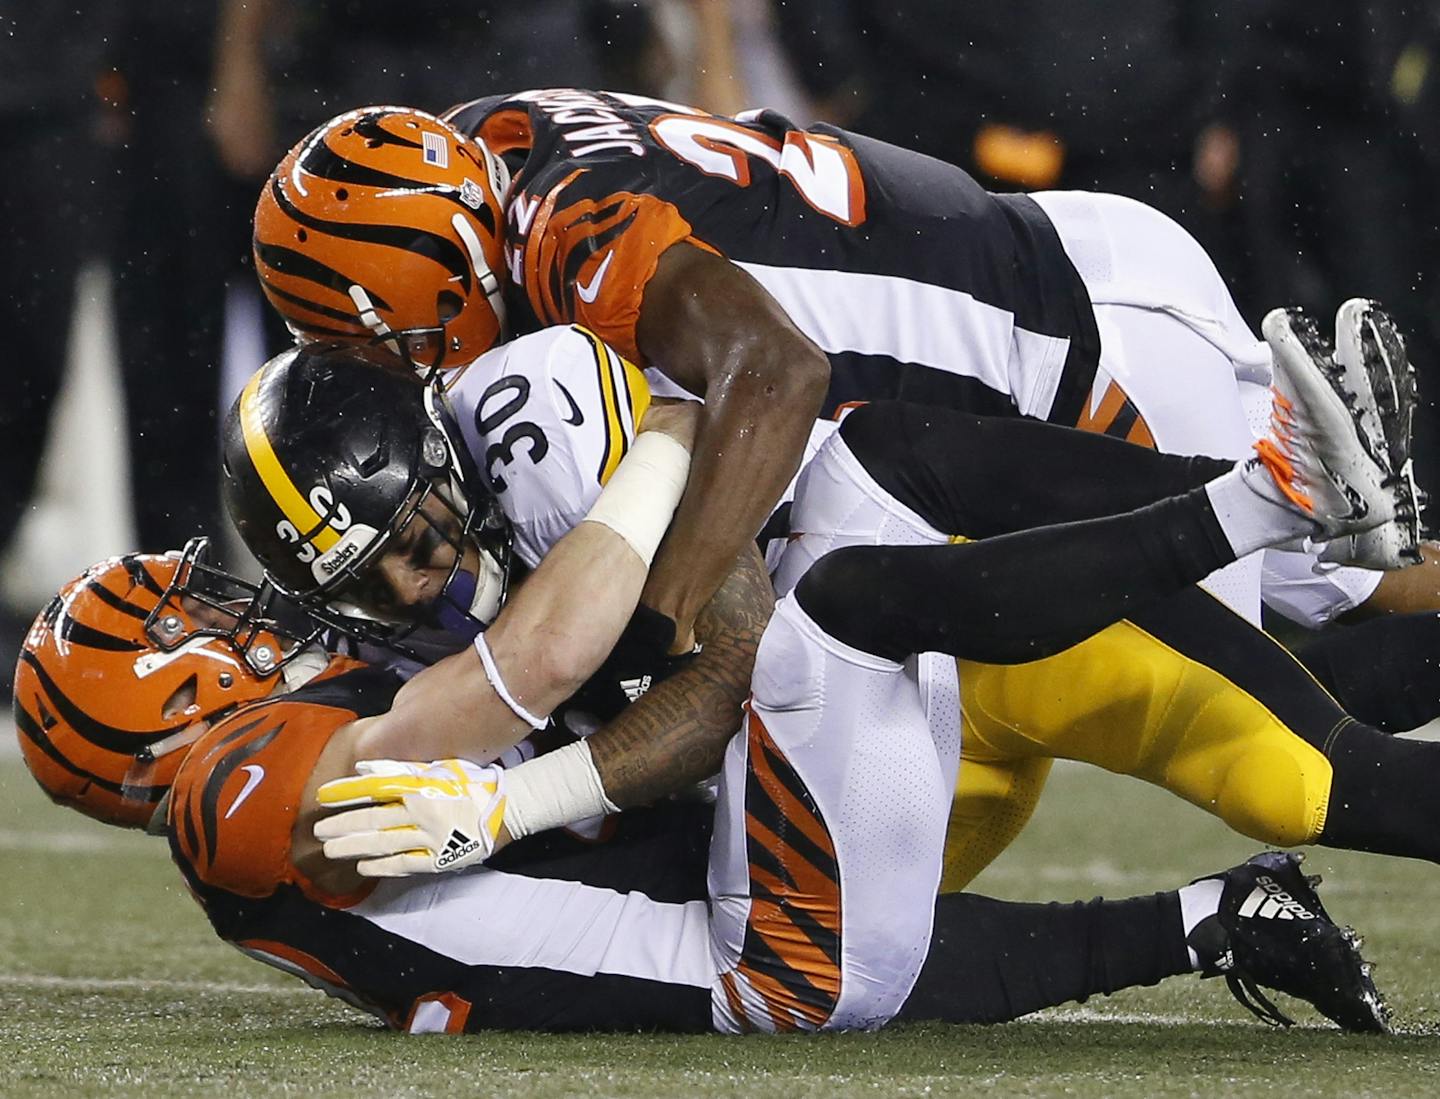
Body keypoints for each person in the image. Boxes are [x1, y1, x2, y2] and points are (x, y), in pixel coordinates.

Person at [18, 336, 1406, 1029]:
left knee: (1310, 773)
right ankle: (1268, 508)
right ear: (165, 699)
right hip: (773, 922)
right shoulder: (236, 806)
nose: (258, 625)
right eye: (197, 621)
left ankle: (1308, 534)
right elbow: (547, 678)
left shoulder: (511, 451)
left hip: (785, 842)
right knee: (832, 607)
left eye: (406, 547)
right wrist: (672, 443)